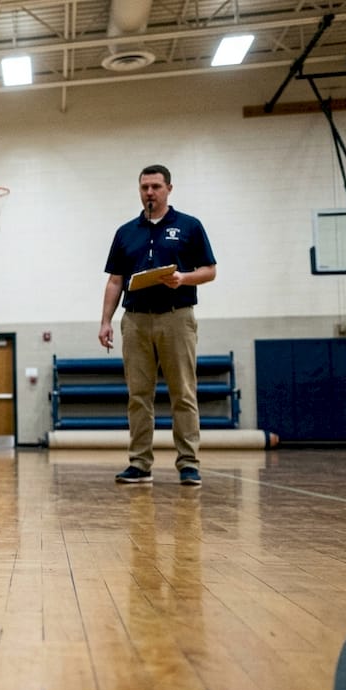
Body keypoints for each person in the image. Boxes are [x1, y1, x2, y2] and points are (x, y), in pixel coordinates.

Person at [98, 164, 217, 487]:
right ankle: (139, 464)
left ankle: (189, 464)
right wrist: (106, 321)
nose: (149, 192)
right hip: (135, 319)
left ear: (169, 189)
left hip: (177, 316)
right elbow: (114, 281)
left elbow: (210, 270)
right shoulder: (126, 232)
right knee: (138, 396)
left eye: (155, 186)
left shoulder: (190, 226)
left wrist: (184, 278)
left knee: (183, 393)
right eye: (144, 187)